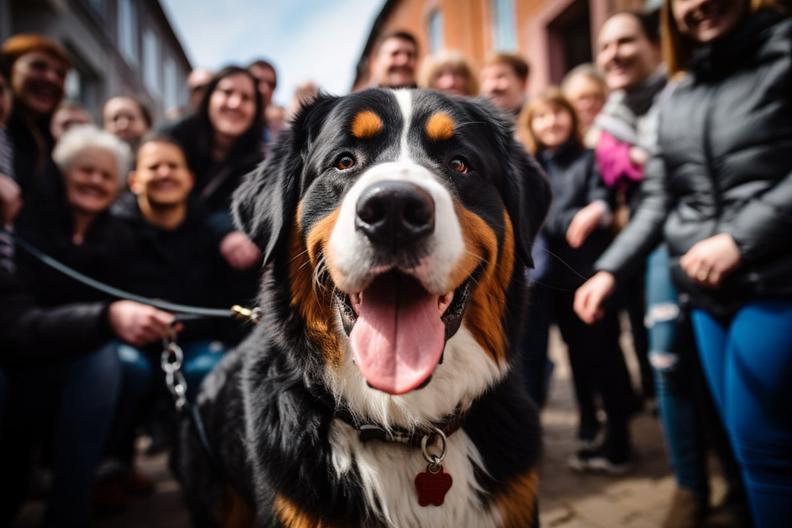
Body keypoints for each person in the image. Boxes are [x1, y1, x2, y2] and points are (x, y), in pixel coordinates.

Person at [576, 1, 792, 525]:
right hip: (703, 294)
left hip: (774, 282)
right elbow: (657, 198)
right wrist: (609, 269)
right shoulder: (683, 92)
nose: (697, 4)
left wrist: (738, 239)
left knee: (766, 452)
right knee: (744, 448)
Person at [0, 125, 174, 526]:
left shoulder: (119, 236)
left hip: (83, 360)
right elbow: (17, 323)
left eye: (104, 175)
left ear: (117, 187)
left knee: (114, 364)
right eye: (85, 171)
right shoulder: (27, 225)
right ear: (63, 173)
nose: (94, 181)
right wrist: (107, 317)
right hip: (24, 354)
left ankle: (72, 505)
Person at [518, 88, 636, 472]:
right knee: (577, 357)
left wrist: (596, 211)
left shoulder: (590, 159)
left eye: (558, 113)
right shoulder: (532, 166)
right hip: (554, 284)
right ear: (532, 125)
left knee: (605, 356)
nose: (551, 122)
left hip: (591, 276)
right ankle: (589, 427)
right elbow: (536, 218)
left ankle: (619, 439)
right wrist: (570, 217)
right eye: (541, 116)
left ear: (570, 117)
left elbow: (602, 201)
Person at [594, 10, 665, 409]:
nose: (613, 54)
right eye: (605, 46)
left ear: (654, 44)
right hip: (639, 245)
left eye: (624, 41)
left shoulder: (680, 98)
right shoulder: (612, 120)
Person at [160, 66, 264, 310]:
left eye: (246, 98)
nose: (235, 103)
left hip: (216, 283)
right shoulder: (174, 137)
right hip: (162, 263)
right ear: (210, 97)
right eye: (227, 92)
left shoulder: (259, 161)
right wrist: (223, 230)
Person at [1, 34, 70, 225]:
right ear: (8, 71)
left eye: (60, 74)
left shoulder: (51, 143)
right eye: (38, 66)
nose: (50, 78)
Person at [561, 63, 608, 147]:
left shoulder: (612, 135)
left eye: (597, 97)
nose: (590, 104)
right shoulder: (557, 137)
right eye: (583, 98)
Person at [480, 53, 530, 120]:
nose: (492, 86)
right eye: (486, 78)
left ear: (523, 82)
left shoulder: (539, 120)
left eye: (500, 76)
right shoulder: (478, 120)